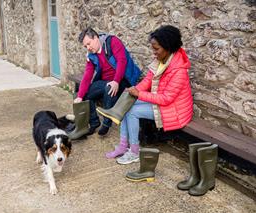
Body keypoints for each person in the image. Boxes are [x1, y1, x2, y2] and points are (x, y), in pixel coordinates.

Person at [105, 25, 193, 168]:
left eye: (156, 49)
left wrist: (139, 94)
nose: (154, 52)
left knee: (132, 111)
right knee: (129, 103)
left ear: (168, 47)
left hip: (175, 111)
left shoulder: (179, 71)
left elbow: (166, 99)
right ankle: (123, 145)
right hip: (164, 104)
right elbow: (147, 81)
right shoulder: (162, 60)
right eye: (153, 48)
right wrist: (134, 90)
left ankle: (134, 152)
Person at [71, 27, 141, 139]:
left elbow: (122, 61)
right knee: (83, 93)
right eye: (85, 46)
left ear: (95, 37)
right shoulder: (91, 55)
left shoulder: (112, 41)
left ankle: (106, 123)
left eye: (89, 44)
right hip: (106, 81)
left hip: (124, 79)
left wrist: (116, 81)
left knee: (110, 88)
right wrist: (79, 96)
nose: (88, 48)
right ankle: (94, 122)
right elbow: (87, 76)